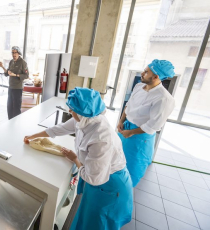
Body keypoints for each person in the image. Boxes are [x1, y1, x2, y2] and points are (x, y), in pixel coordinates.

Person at [25, 88, 132, 230]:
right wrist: (32, 136)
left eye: (71, 109)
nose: (69, 112)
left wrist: (75, 159)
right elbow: (59, 128)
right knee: (86, 219)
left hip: (110, 187)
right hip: (97, 179)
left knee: (98, 223)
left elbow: (93, 178)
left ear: (81, 112)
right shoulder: (84, 118)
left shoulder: (101, 138)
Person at [117, 59, 175, 187]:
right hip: (125, 129)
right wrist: (121, 121)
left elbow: (153, 125)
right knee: (116, 159)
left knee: (131, 168)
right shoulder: (139, 87)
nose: (142, 73)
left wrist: (131, 132)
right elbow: (129, 105)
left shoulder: (164, 98)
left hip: (139, 137)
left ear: (156, 76)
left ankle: (123, 193)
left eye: (146, 72)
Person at [0, 46, 29, 120]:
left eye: (15, 53)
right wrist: (2, 67)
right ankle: (10, 122)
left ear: (18, 53)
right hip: (11, 87)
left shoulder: (23, 62)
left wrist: (15, 75)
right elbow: (7, 73)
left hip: (18, 88)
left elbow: (26, 75)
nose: (14, 54)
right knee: (9, 107)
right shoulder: (11, 62)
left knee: (16, 108)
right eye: (13, 53)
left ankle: (16, 125)